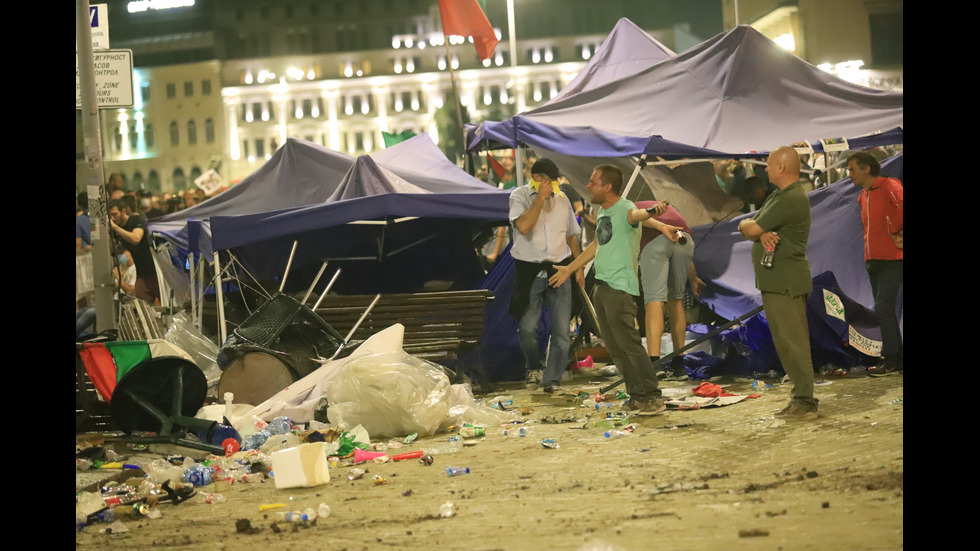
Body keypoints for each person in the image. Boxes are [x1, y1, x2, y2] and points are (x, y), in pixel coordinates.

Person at [549, 164, 683, 415]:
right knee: (615, 348)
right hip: (602, 285)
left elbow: (637, 215)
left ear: (607, 186)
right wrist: (570, 268)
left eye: (592, 181)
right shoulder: (603, 212)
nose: (588, 186)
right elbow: (597, 245)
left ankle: (652, 396)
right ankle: (637, 396)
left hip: (619, 288)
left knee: (630, 345)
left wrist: (654, 213)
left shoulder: (625, 208)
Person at [737, 146, 818, 420]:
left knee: (793, 344)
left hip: (786, 281)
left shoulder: (790, 198)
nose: (766, 169)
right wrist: (758, 232)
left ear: (782, 167)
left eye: (769, 165)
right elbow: (748, 226)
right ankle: (800, 399)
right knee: (786, 343)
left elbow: (751, 227)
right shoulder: (780, 196)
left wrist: (756, 230)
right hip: (777, 281)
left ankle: (805, 402)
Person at [509, 158, 584, 393]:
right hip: (529, 269)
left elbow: (571, 235)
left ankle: (551, 380)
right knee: (528, 327)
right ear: (538, 179)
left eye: (555, 181)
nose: (554, 185)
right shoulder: (519, 196)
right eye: (549, 181)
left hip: (560, 268)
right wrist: (539, 199)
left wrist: (578, 266)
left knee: (562, 331)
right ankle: (534, 366)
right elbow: (523, 227)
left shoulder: (562, 200)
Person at [847, 151, 903, 374]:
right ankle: (895, 358)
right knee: (884, 309)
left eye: (852, 169)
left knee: (883, 308)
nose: (849, 174)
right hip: (874, 262)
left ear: (866, 168)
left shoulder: (890, 186)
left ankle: (893, 358)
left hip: (892, 260)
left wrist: (896, 231)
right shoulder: (863, 195)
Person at [634, 199, 697, 376]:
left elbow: (640, 220)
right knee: (675, 301)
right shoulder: (666, 207)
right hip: (684, 239)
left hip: (656, 241)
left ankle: (655, 363)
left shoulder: (625, 207)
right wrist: (694, 277)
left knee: (654, 301)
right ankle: (679, 363)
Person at [108, 198, 160, 304]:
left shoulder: (136, 220)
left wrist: (115, 227)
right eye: (110, 216)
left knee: (166, 303)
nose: (112, 218)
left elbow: (136, 238)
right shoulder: (115, 229)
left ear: (123, 211)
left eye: (115, 214)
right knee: (141, 304)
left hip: (156, 270)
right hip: (141, 272)